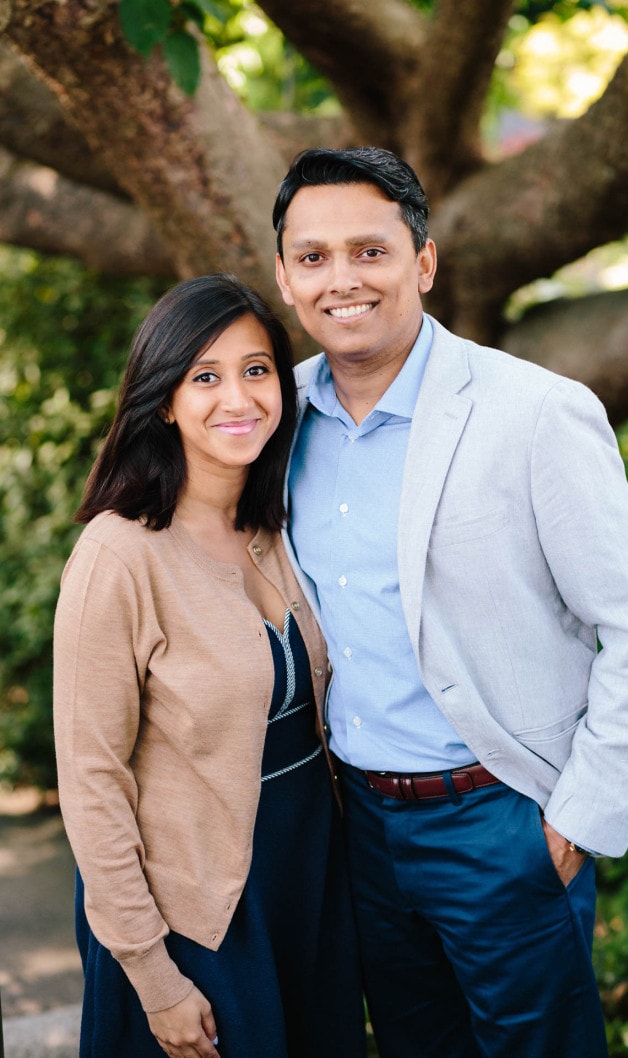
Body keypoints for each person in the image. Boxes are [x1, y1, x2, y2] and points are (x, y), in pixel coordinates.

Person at [271, 147, 628, 1058]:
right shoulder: (275, 419)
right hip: (357, 830)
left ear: (422, 261)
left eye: (368, 251)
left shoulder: (533, 412)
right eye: (312, 257)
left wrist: (575, 819)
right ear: (284, 275)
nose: (341, 279)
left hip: (500, 822)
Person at [52, 274, 366, 1058]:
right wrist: (153, 977)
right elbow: (92, 782)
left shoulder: (274, 524)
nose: (239, 397)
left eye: (257, 370)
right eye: (205, 376)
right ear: (164, 398)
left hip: (307, 885)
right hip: (197, 916)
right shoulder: (118, 556)